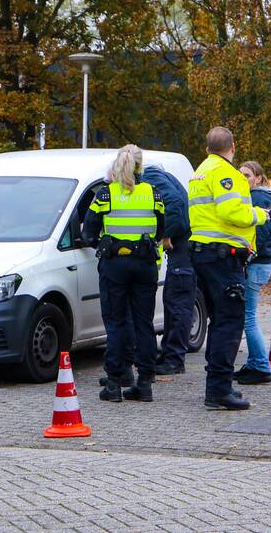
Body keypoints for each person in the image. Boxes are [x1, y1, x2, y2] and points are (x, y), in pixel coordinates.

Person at [188, 127, 269, 410]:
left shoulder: (199, 171)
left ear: (207, 147)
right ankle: (220, 390)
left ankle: (217, 386)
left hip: (203, 253)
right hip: (223, 256)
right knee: (230, 321)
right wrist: (259, 215)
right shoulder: (226, 174)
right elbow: (231, 212)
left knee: (218, 321)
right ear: (233, 146)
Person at [83, 145, 165, 402]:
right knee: (144, 324)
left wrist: (106, 246)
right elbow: (162, 229)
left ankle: (114, 385)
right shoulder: (154, 193)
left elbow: (88, 232)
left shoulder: (106, 195)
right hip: (145, 265)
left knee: (116, 323)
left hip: (115, 265)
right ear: (141, 166)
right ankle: (145, 384)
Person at [142, 163, 195, 375]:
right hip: (183, 251)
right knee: (173, 302)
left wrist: (163, 235)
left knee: (178, 305)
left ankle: (174, 359)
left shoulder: (150, 176)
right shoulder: (158, 177)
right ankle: (168, 355)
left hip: (183, 250)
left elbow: (173, 204)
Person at [235, 161, 271, 385]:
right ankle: (255, 363)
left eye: (246, 175)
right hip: (262, 264)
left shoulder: (259, 199)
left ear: (259, 178)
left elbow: (260, 237)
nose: (242, 179)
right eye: (239, 175)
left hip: (256, 264)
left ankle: (261, 366)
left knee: (249, 317)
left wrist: (247, 257)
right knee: (248, 315)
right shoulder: (268, 197)